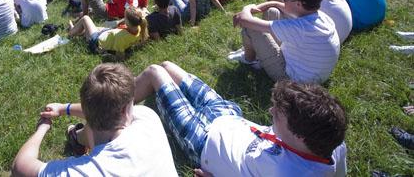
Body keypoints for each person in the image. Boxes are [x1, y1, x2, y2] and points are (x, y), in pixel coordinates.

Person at [132, 61, 347, 176]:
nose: (271, 111)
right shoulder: (334, 145)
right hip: (228, 115)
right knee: (168, 66)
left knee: (155, 72)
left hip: (201, 140)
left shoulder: (286, 173)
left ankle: (109, 109)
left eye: (278, 114)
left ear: (299, 135)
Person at [12, 63, 177, 176]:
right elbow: (103, 112)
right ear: (126, 109)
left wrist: (43, 127)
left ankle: (75, 137)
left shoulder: (86, 171)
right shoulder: (147, 118)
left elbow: (20, 166)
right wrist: (64, 108)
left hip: (94, 133)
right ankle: (76, 137)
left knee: (95, 129)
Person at [231, 0, 340, 83]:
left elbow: (245, 21)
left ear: (298, 4)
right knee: (272, 12)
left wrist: (247, 8)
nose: (282, 1)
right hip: (313, 74)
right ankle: (258, 54)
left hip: (292, 79)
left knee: (251, 28)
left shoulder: (298, 27)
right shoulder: (321, 17)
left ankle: (249, 59)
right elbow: (276, 5)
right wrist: (269, 4)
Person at [69, 6, 149, 55]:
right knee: (95, 28)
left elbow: (120, 57)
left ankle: (71, 32)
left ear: (128, 22)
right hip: (105, 34)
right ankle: (80, 32)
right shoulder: (140, 29)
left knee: (85, 18)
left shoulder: (121, 37)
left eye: (125, 17)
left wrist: (109, 56)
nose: (123, 19)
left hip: (96, 43)